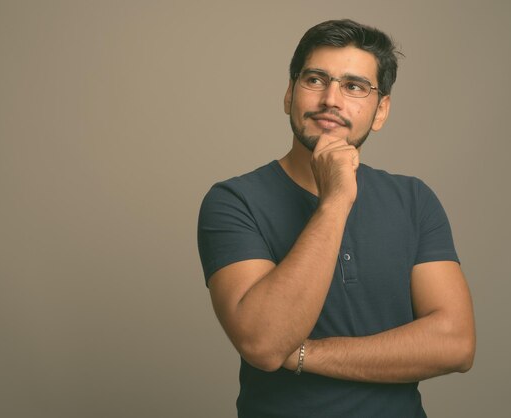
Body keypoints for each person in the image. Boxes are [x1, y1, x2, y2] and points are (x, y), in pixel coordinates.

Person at [197, 19, 475, 418]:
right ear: (290, 93)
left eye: (354, 86)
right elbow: (263, 341)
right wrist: (336, 200)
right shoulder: (234, 200)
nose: (331, 99)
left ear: (380, 111)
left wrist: (303, 354)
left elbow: (456, 344)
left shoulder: (414, 199)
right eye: (315, 79)